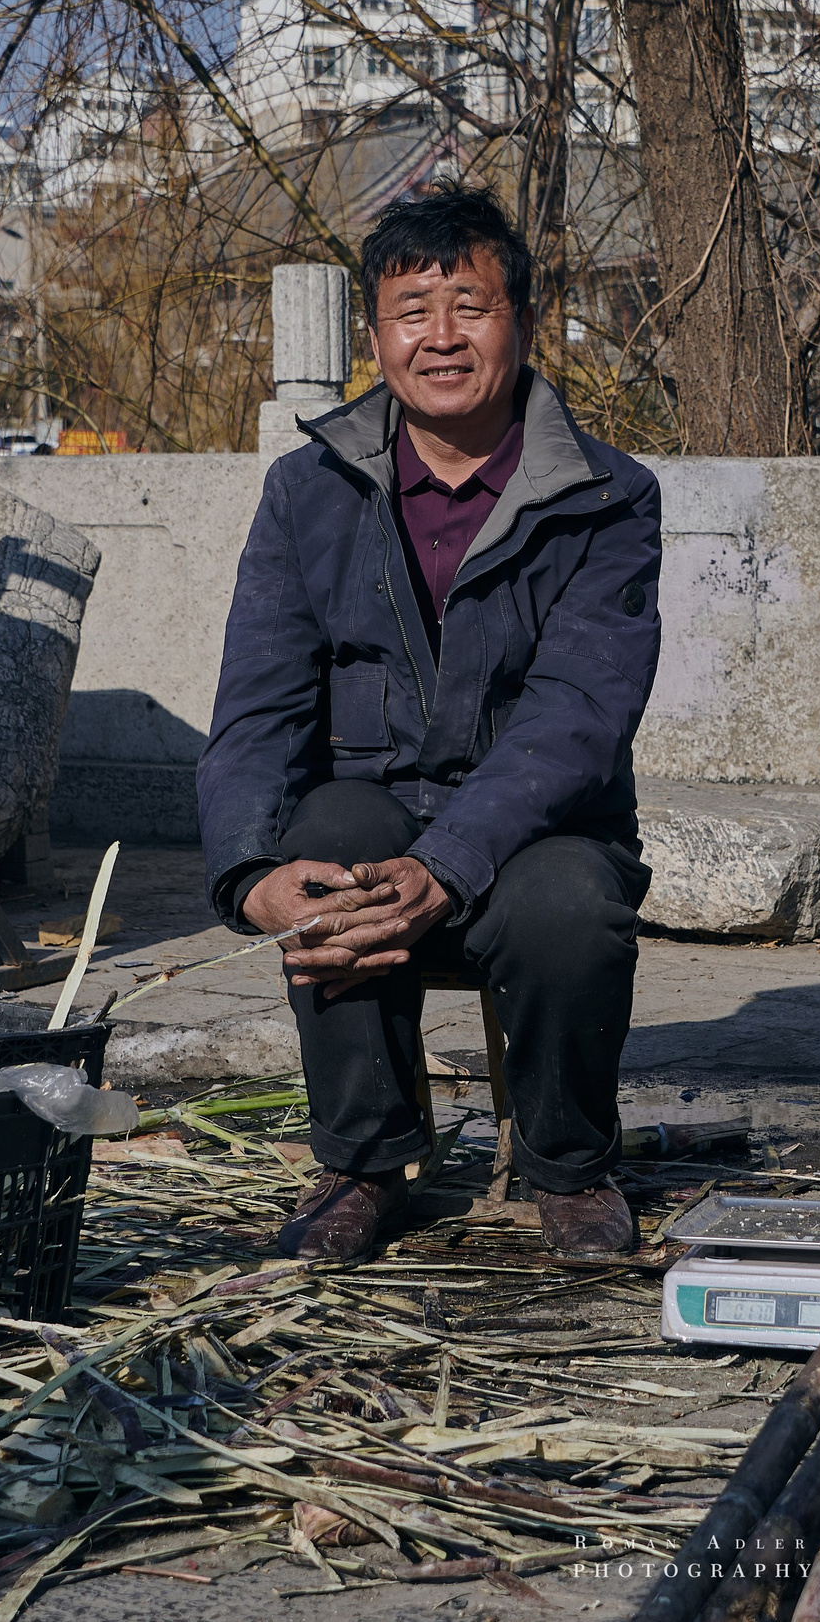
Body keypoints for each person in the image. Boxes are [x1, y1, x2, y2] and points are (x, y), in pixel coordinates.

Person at [197, 184, 662, 1264]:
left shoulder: (607, 497)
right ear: (375, 336)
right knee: (335, 841)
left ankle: (568, 1162)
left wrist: (449, 861)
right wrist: (249, 878)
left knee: (568, 904)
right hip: (377, 815)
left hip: (535, 830)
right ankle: (362, 1159)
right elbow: (254, 708)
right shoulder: (306, 492)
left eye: (470, 306)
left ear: (525, 324)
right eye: (413, 310)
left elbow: (578, 713)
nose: (441, 337)